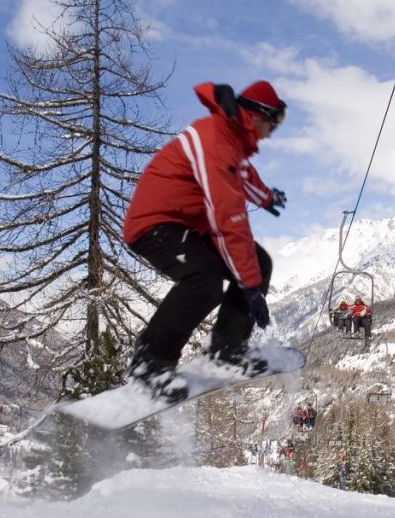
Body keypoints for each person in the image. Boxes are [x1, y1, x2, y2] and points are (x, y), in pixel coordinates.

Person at [122, 80, 288, 401]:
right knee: (206, 279)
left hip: (187, 223)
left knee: (259, 262)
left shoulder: (231, 140)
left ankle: (227, 351)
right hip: (155, 223)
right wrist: (250, 288)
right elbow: (228, 218)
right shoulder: (215, 139)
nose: (272, 132)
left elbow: (242, 174)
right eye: (273, 123)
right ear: (256, 116)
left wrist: (266, 197)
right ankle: (150, 364)